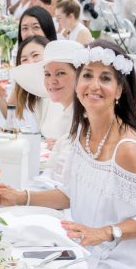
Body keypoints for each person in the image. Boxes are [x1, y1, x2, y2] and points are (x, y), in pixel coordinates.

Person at [0, 40, 136, 269]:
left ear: (120, 89)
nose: (94, 85)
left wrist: (104, 233)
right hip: (85, 249)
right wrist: (19, 197)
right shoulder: (83, 132)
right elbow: (69, 193)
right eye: (87, 75)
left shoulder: (128, 149)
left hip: (121, 266)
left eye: (105, 78)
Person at [8, 38, 82, 183]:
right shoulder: (67, 110)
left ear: (80, 75)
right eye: (47, 74)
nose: (52, 81)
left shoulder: (85, 116)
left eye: (60, 73)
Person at [0, 35, 47, 129]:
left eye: (36, 55)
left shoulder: (57, 86)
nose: (30, 62)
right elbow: (9, 116)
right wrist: (0, 99)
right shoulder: (23, 83)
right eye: (24, 59)